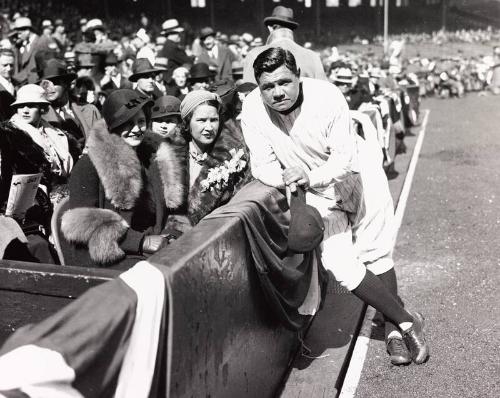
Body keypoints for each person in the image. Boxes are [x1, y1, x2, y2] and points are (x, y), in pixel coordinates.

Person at [240, 47, 429, 366]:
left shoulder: (327, 97)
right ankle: (407, 321)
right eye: (267, 87)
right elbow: (261, 165)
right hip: (312, 185)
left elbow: (345, 161)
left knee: (375, 253)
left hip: (357, 173)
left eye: (284, 82)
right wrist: (288, 177)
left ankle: (394, 332)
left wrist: (306, 176)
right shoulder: (252, 110)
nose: (277, 92)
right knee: (339, 264)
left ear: (299, 76)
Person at [61, 89, 186, 268]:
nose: (136, 129)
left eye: (141, 121)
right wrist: (141, 242)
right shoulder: (89, 164)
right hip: (110, 253)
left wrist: (169, 234)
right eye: (127, 123)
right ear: (113, 127)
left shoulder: (151, 157)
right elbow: (81, 223)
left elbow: (168, 209)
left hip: (151, 243)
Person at [167, 90, 252, 229]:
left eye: (213, 120)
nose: (209, 127)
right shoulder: (169, 155)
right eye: (201, 120)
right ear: (187, 123)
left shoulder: (232, 156)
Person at [242, 6, 326, 84]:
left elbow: (248, 93)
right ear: (292, 29)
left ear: (270, 28)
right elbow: (324, 91)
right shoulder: (312, 56)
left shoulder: (255, 54)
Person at [40, 58, 101, 148]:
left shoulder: (90, 110)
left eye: (55, 82)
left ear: (66, 83)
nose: (49, 88)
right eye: (45, 84)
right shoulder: (40, 117)